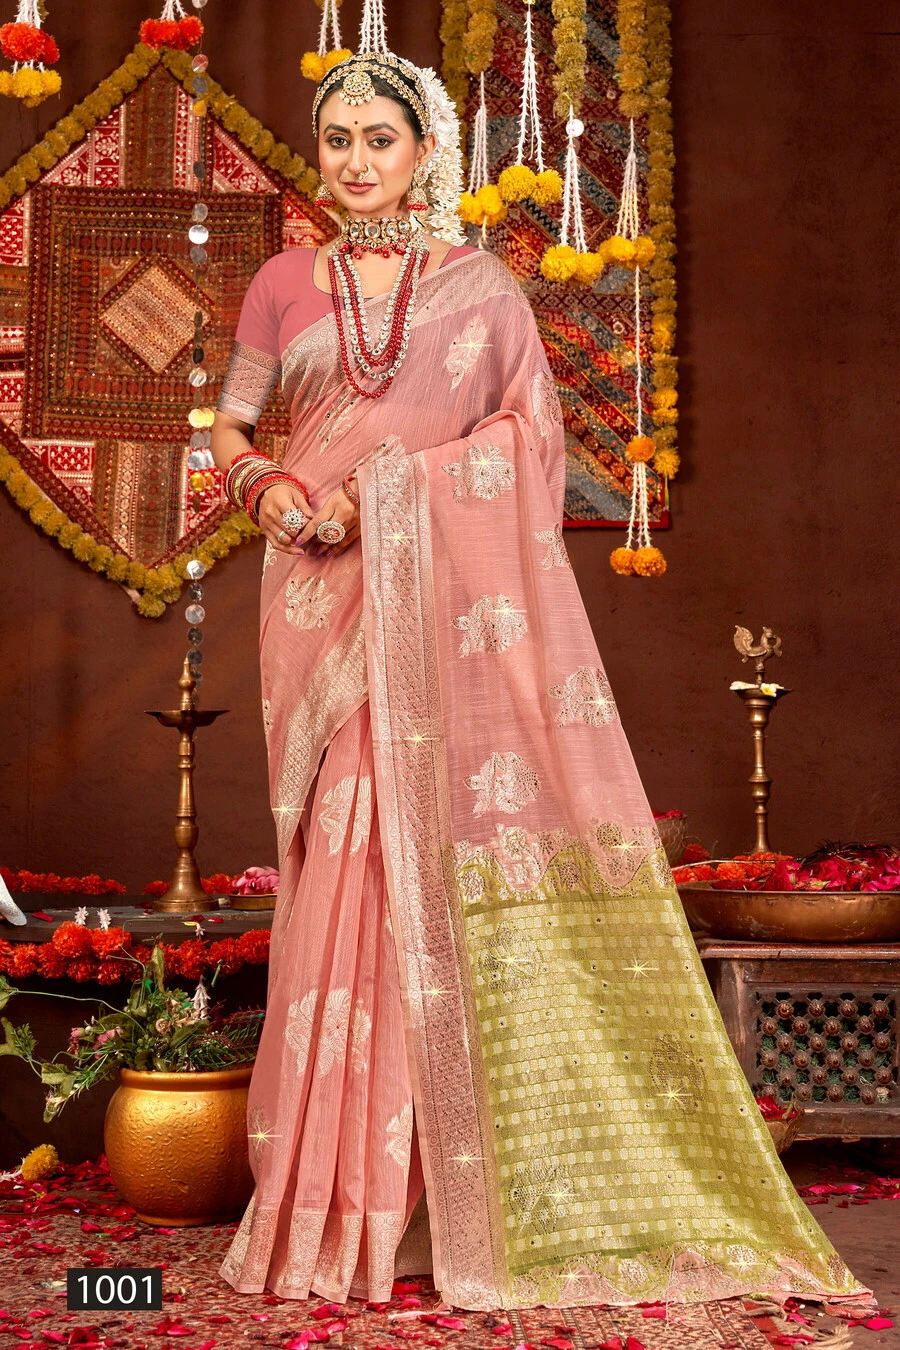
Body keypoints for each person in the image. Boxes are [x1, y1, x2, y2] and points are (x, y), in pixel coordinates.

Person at [211, 49, 868, 1313]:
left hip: (435, 614)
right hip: (319, 604)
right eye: (338, 138)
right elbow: (232, 426)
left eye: (380, 138)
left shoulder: (484, 289)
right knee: (341, 866)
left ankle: (436, 1195)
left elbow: (529, 440)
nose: (356, 160)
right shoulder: (283, 285)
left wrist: (386, 494)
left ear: (424, 150)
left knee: (419, 859)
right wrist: (268, 487)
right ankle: (335, 1199)